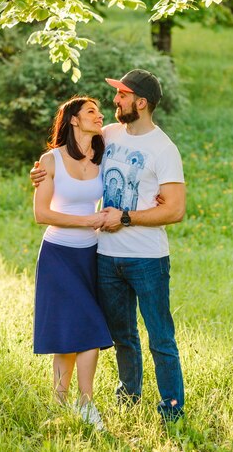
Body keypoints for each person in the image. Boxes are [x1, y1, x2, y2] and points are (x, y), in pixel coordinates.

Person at [32, 70, 186, 423]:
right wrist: (41, 173)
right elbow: (67, 158)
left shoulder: (164, 148)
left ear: (140, 102)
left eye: (122, 95)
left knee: (160, 337)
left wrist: (127, 217)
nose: (114, 102)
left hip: (146, 257)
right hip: (103, 254)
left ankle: (171, 411)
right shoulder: (109, 135)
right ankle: (128, 400)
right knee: (121, 336)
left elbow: (175, 209)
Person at [33, 95, 113, 430]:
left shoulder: (104, 153)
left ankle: (67, 401)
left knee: (77, 327)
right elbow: (41, 213)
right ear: (74, 120)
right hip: (58, 255)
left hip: (91, 255)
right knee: (84, 328)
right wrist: (87, 221)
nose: (99, 116)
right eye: (91, 112)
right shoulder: (50, 161)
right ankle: (81, 403)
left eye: (100, 111)